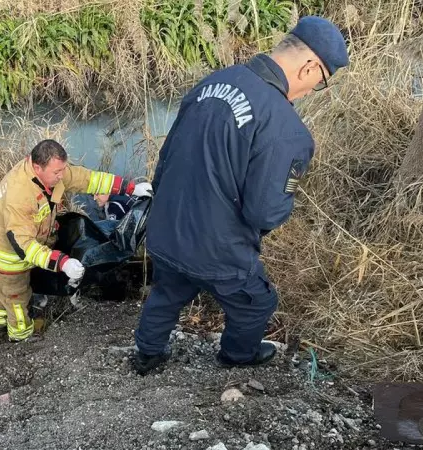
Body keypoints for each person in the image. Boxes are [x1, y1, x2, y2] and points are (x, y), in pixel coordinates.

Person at [132, 16, 349, 374]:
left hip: (167, 227)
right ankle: (237, 355)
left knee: (168, 290)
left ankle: (147, 354)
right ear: (310, 67)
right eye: (320, 82)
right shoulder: (286, 129)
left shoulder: (214, 82)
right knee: (257, 302)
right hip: (216, 245)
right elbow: (264, 212)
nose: (312, 91)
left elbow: (167, 157)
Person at [0, 139, 153, 342]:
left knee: (1, 293)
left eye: (63, 170)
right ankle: (21, 338)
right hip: (4, 257)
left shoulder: (49, 173)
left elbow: (88, 179)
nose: (62, 176)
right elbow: (24, 247)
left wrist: (129, 188)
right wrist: (63, 262)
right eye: (57, 173)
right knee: (17, 297)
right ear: (37, 167)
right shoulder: (20, 196)